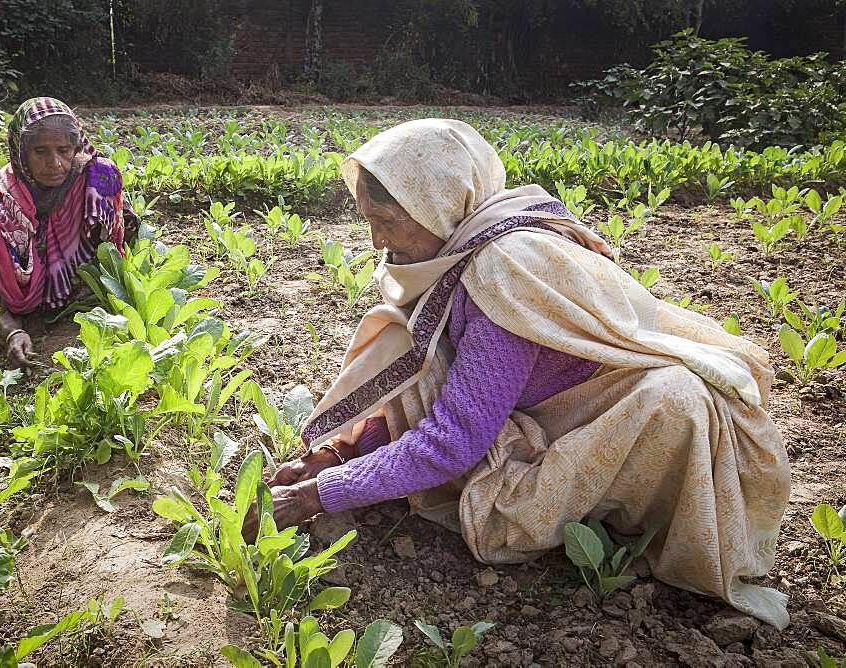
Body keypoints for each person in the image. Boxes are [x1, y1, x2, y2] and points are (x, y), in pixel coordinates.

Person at [252, 119, 792, 628]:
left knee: (504, 516)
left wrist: (317, 495)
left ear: (437, 207)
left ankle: (626, 517)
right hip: (563, 405)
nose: (377, 244)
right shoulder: (463, 247)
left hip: (643, 417)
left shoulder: (502, 273)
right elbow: (430, 382)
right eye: (370, 222)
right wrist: (339, 453)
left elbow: (452, 440)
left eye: (386, 222)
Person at [0, 97, 136, 368]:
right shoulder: (11, 192)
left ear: (75, 148)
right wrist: (12, 329)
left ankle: (79, 290)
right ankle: (24, 309)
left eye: (63, 150)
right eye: (40, 152)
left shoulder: (91, 178)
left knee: (105, 170)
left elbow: (119, 236)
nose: (55, 163)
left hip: (82, 285)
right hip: (27, 295)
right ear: (21, 153)